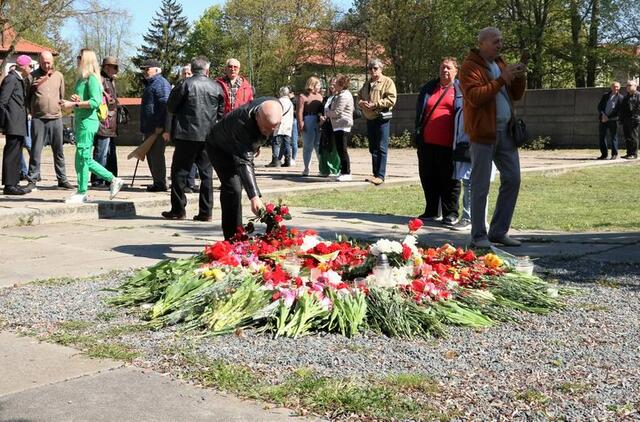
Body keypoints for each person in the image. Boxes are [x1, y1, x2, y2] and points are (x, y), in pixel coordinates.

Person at [459, 27, 527, 248]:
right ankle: (479, 236)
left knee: (513, 179)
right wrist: (502, 80)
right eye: (496, 41)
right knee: (480, 185)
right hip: (483, 134)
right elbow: (475, 97)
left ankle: (499, 232)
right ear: (482, 43)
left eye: (501, 41)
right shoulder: (469, 67)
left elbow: (515, 95)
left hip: (506, 132)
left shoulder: (500, 63)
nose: (500, 44)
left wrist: (518, 77)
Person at [205, 98, 282, 240]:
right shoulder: (242, 123)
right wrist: (254, 197)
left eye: (271, 129)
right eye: (264, 128)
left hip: (239, 144)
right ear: (258, 116)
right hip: (220, 147)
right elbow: (244, 163)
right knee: (233, 188)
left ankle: (239, 233)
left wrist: (256, 144)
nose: (266, 132)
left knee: (237, 186)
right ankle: (232, 237)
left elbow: (262, 132)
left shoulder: (274, 107)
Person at [161, 57, 223, 222]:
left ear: (193, 69)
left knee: (179, 173)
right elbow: (221, 113)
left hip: (186, 135)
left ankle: (178, 209)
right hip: (208, 135)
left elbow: (171, 107)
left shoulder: (185, 84)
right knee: (206, 174)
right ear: (207, 70)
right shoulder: (216, 87)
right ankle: (206, 211)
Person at [60, 48, 123, 204]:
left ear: (86, 59)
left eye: (79, 57)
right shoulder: (82, 79)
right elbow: (84, 100)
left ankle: (109, 180)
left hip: (88, 122)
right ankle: (83, 190)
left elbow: (95, 102)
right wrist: (77, 99)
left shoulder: (92, 79)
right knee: (80, 158)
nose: (77, 59)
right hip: (82, 121)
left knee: (83, 157)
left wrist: (73, 103)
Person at [415, 57, 462, 226]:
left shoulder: (460, 89)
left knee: (449, 180)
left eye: (449, 68)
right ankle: (432, 210)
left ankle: (451, 213)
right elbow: (420, 112)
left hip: (450, 144)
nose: (445, 71)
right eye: (442, 67)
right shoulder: (429, 88)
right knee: (428, 177)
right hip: (427, 143)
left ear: (456, 70)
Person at [26, 51, 73, 190]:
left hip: (56, 118)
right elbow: (27, 97)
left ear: (52, 62)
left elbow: (61, 95)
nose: (46, 65)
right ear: (39, 62)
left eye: (49, 62)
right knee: (35, 151)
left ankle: (62, 179)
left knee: (58, 151)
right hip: (38, 119)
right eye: (43, 62)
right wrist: (31, 111)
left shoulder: (59, 76)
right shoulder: (31, 76)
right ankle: (32, 179)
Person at [358, 58, 397, 185]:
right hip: (369, 118)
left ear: (381, 69)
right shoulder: (367, 83)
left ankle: (381, 175)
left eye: (375, 68)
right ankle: (375, 174)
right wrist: (361, 103)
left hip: (381, 118)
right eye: (370, 68)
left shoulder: (387, 81)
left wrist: (376, 104)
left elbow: (391, 99)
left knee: (381, 147)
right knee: (373, 148)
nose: (372, 71)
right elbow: (359, 96)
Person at [1, 55, 33, 195]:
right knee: (11, 154)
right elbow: (2, 102)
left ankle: (14, 183)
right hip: (13, 123)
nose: (31, 69)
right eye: (31, 66)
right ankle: (9, 185)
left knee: (16, 154)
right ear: (24, 66)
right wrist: (6, 122)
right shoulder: (11, 79)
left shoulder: (19, 79)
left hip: (18, 123)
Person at [139, 59, 171, 192]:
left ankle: (160, 183)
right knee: (151, 155)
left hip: (157, 128)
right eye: (144, 69)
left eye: (148, 69)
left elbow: (165, 106)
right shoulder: (151, 84)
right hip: (150, 127)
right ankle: (157, 181)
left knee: (156, 156)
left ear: (157, 70)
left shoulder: (161, 83)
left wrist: (162, 126)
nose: (145, 72)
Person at [91, 56, 120, 187]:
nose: (115, 70)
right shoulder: (100, 80)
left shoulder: (110, 80)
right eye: (114, 67)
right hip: (104, 122)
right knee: (101, 153)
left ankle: (110, 178)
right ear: (106, 67)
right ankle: (97, 179)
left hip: (111, 122)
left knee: (110, 153)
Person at [324, 74, 354, 181]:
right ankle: (343, 171)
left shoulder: (344, 96)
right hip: (338, 125)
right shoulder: (340, 94)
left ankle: (347, 172)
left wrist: (327, 113)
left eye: (336, 83)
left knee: (342, 150)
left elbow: (337, 112)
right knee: (340, 149)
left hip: (342, 125)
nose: (333, 85)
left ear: (341, 85)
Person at [297, 76, 323, 176]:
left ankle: (322, 168)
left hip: (318, 121)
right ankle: (306, 168)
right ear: (312, 85)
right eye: (318, 85)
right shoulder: (303, 96)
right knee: (308, 146)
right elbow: (299, 112)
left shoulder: (320, 96)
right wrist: (301, 124)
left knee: (318, 145)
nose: (320, 87)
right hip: (308, 120)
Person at [266, 86, 294, 168]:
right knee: (287, 144)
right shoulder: (290, 103)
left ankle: (275, 161)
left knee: (276, 143)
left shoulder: (278, 101)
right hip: (288, 125)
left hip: (279, 124)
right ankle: (288, 160)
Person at [596, 81, 624, 160]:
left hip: (613, 120)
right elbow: (599, 106)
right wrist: (603, 115)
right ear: (611, 87)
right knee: (602, 137)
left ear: (619, 88)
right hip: (603, 119)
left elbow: (619, 111)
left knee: (613, 137)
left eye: (617, 87)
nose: (615, 88)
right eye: (614, 86)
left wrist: (608, 117)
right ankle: (604, 155)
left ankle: (614, 154)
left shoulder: (621, 98)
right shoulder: (605, 95)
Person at [620, 80, 640, 159]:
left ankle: (634, 154)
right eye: (627, 85)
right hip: (626, 119)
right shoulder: (626, 96)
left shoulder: (638, 95)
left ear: (635, 86)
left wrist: (636, 116)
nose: (628, 87)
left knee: (633, 137)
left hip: (634, 119)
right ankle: (629, 153)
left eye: (630, 85)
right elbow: (622, 108)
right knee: (627, 137)